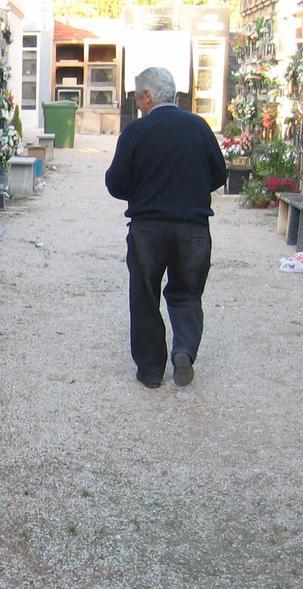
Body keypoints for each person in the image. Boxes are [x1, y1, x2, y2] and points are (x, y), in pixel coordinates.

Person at [104, 67, 227, 389]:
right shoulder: (199, 127)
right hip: (194, 228)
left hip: (148, 228)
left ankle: (151, 370)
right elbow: (220, 174)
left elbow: (115, 183)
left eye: (137, 97)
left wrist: (143, 192)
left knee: (145, 296)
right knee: (187, 294)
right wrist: (191, 190)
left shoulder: (136, 132)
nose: (138, 104)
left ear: (148, 96)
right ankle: (184, 350)